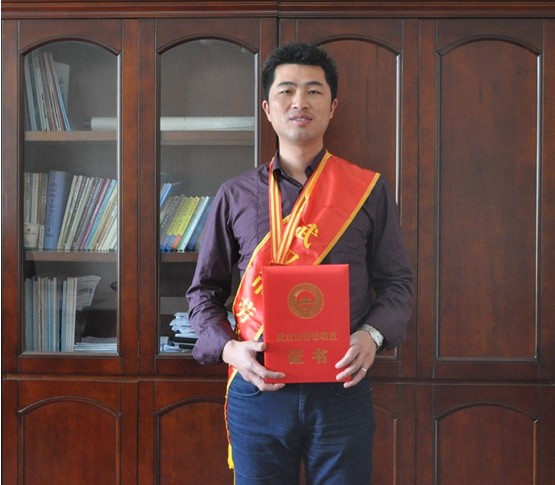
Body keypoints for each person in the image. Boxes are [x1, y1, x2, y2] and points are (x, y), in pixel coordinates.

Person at [186, 42, 413, 485]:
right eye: (287, 91)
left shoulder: (368, 190)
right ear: (268, 109)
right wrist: (230, 350)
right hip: (258, 388)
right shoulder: (235, 194)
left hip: (341, 388)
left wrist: (372, 336)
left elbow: (397, 283)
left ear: (332, 107)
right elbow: (203, 293)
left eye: (313, 91)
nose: (300, 102)